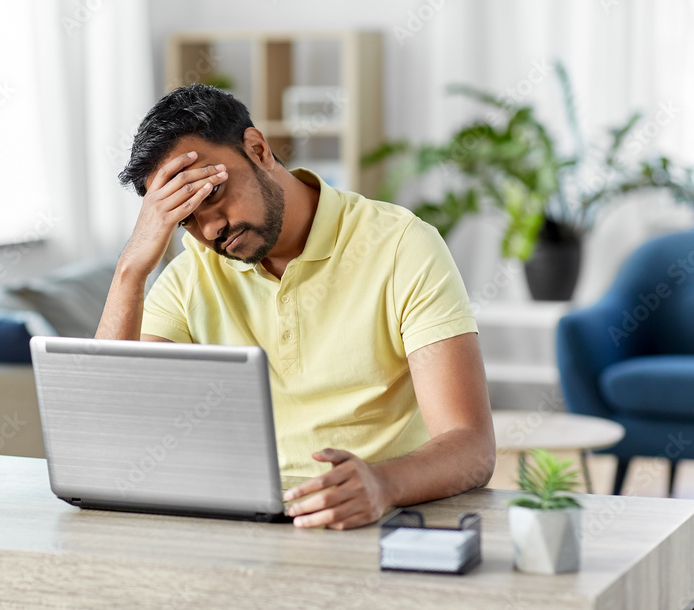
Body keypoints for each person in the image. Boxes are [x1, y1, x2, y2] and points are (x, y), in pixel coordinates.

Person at [97, 84, 494, 530]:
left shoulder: (401, 244)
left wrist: (382, 485)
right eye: (184, 217)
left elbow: (471, 446)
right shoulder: (191, 277)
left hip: (379, 519)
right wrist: (131, 267)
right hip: (242, 528)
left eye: (209, 195)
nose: (209, 229)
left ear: (258, 148)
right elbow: (112, 439)